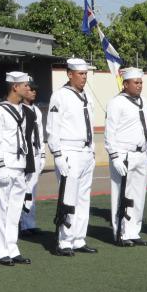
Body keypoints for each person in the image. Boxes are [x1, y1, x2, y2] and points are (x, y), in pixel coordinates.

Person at [45, 58, 98, 255]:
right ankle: (64, 241)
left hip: (85, 152)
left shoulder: (86, 96)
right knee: (68, 197)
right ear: (69, 74)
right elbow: (53, 127)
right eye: (80, 74)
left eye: (85, 74)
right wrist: (57, 154)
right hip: (69, 151)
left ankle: (78, 238)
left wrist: (91, 150)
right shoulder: (60, 96)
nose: (84, 77)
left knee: (84, 198)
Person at [0, 71, 35, 265]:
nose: (28, 88)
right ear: (15, 87)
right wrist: (0, 164)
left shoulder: (24, 110)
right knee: (0, 211)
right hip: (4, 167)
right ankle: (1, 251)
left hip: (19, 166)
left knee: (15, 212)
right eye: (25, 85)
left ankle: (12, 248)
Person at [104, 67, 147, 246]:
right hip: (124, 153)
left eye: (141, 82)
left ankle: (134, 231)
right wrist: (114, 156)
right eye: (136, 82)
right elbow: (110, 132)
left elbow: (146, 127)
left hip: (141, 153)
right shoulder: (116, 103)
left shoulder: (144, 101)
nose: (140, 86)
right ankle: (121, 231)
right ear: (125, 84)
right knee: (121, 194)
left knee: (139, 195)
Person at [17, 81, 46, 238]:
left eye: (35, 90)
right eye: (31, 89)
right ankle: (22, 224)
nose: (34, 92)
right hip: (25, 154)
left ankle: (30, 223)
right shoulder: (20, 110)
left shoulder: (36, 110)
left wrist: (42, 154)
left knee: (32, 189)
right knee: (24, 189)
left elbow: (40, 135)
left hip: (35, 153)